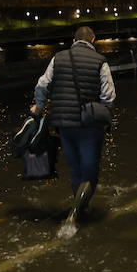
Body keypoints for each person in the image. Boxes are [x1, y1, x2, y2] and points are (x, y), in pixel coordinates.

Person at [31, 26, 115, 217]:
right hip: (89, 125)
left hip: (63, 124)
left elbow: (42, 85)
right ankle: (75, 214)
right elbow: (109, 96)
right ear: (93, 41)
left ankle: (80, 209)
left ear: (74, 40)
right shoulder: (101, 61)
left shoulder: (58, 58)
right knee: (90, 173)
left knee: (76, 170)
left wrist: (39, 106)